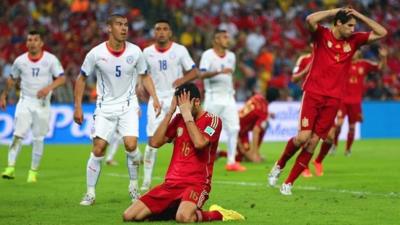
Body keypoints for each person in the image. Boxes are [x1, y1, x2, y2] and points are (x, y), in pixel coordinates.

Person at [268, 8, 387, 195]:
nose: (353, 29)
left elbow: (382, 33)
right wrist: (336, 11)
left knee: (313, 142)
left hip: (334, 98)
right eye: (349, 25)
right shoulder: (321, 34)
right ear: (338, 23)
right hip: (313, 93)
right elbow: (310, 19)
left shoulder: (354, 40)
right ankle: (279, 165)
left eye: (354, 26)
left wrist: (359, 15)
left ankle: (289, 183)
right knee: (302, 138)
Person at [122, 83, 244, 222]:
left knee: (184, 217)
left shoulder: (213, 121)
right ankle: (172, 209)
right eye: (180, 105)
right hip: (171, 184)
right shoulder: (178, 119)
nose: (182, 109)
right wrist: (170, 112)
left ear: (197, 102)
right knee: (129, 216)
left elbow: (200, 143)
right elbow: (154, 143)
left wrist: (187, 115)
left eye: (184, 105)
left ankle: (218, 214)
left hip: (196, 184)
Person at [73, 13, 161, 206]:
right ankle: (90, 193)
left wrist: (154, 98)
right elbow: (81, 78)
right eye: (119, 24)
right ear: (109, 28)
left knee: (130, 145)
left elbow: (144, 76)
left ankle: (133, 187)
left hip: (128, 105)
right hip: (104, 107)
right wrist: (78, 106)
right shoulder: (96, 53)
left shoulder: (135, 52)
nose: (124, 28)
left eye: (126, 25)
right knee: (98, 149)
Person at [140, 19, 198, 191]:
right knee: (152, 140)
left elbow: (195, 71)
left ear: (170, 32)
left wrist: (182, 80)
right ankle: (146, 180)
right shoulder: (147, 52)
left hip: (177, 99)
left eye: (165, 29)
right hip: (156, 99)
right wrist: (140, 87)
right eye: (158, 29)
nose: (161, 32)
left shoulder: (180, 50)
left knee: (181, 139)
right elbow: (143, 75)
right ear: (154, 32)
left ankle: (182, 175)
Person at [0, 30, 65, 183]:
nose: (32, 42)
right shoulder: (20, 61)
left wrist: (48, 88)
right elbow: (12, 79)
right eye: (29, 40)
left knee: (38, 138)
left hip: (42, 104)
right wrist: (3, 95)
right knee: (18, 134)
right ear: (26, 43)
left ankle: (33, 172)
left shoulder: (50, 60)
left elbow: (61, 78)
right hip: (25, 101)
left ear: (41, 43)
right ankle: (10, 167)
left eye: (35, 39)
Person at [200, 29, 245, 172]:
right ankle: (202, 159)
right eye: (224, 37)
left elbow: (229, 75)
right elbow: (201, 74)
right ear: (216, 40)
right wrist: (219, 71)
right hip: (213, 98)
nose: (228, 40)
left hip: (229, 98)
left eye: (228, 37)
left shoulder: (231, 56)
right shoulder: (207, 55)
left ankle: (231, 162)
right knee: (208, 130)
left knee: (234, 128)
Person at [331, 47, 387, 156]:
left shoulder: (364, 64)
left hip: (355, 102)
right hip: (342, 100)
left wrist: (384, 57)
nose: (354, 53)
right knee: (339, 124)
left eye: (356, 51)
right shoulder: (343, 62)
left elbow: (380, 67)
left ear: (359, 53)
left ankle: (348, 150)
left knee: (352, 127)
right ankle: (334, 145)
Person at [233, 93, 274, 163]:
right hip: (236, 130)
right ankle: (220, 153)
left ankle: (253, 153)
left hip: (239, 127)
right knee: (244, 157)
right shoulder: (264, 110)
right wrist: (252, 155)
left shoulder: (257, 97)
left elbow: (253, 110)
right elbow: (256, 130)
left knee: (264, 126)